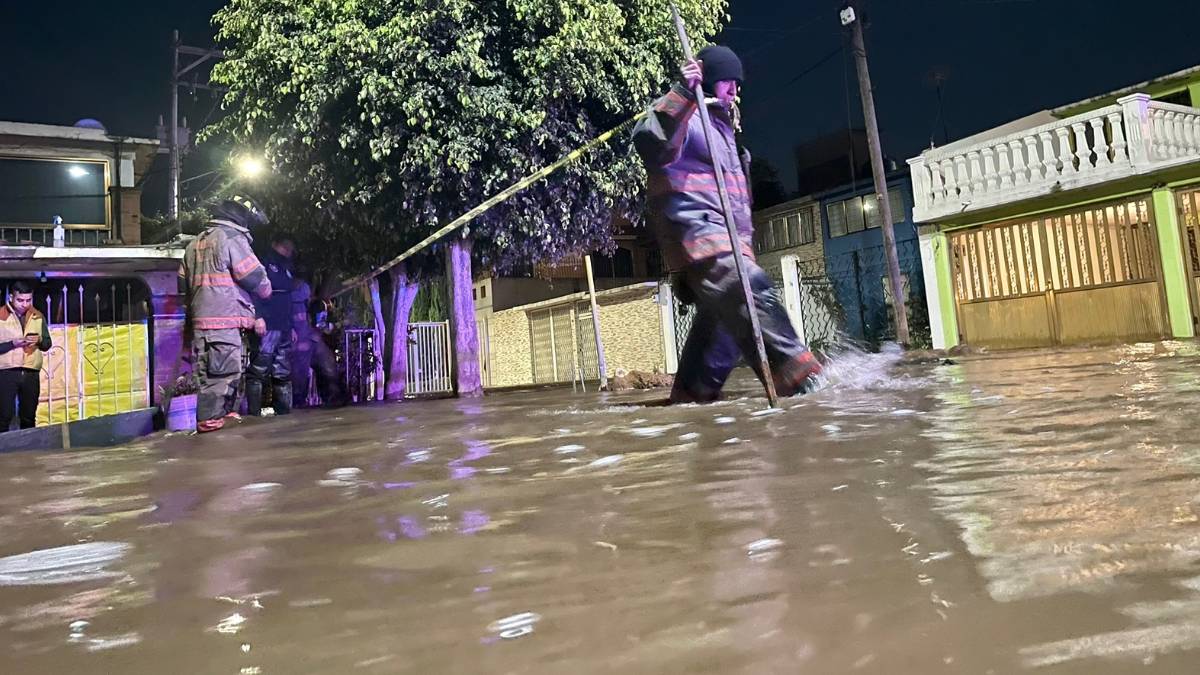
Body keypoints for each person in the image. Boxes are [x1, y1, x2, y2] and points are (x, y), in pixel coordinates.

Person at [632, 45, 821, 403]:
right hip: (698, 236)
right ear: (709, 81)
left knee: (722, 332)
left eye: (737, 82)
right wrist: (684, 93)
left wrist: (745, 247)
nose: (735, 88)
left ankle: (690, 398)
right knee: (749, 288)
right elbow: (651, 143)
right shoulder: (687, 117)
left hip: (728, 242)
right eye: (727, 81)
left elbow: (737, 204)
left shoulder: (725, 134)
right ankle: (802, 379)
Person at [180, 195, 272, 433]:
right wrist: (265, 287)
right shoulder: (231, 239)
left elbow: (183, 284)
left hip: (201, 324)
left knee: (208, 377)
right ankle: (210, 426)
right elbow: (256, 280)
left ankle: (217, 423)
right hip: (223, 322)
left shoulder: (194, 244)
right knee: (223, 377)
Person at [245, 233, 296, 416]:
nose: (288, 252)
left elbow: (287, 297)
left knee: (282, 370)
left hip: (283, 324)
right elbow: (254, 291)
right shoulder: (264, 263)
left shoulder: (286, 267)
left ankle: (283, 412)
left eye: (290, 249)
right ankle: (254, 414)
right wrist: (258, 317)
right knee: (259, 368)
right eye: (285, 248)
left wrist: (291, 327)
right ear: (275, 244)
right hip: (267, 323)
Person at [0, 281, 52, 431]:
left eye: (28, 300)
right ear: (11, 297)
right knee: (4, 415)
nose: (25, 304)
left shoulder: (37, 316)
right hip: (6, 371)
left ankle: (28, 450)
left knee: (28, 415)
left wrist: (39, 340)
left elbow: (47, 344)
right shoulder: (1, 316)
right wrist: (12, 344)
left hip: (30, 371)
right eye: (20, 300)